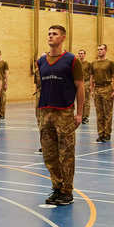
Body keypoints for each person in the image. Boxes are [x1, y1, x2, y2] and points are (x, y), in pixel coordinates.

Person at [37, 26, 84, 206]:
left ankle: (67, 191)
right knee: (49, 154)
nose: (50, 36)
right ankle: (56, 186)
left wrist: (79, 113)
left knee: (66, 154)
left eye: (54, 34)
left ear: (63, 37)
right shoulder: (41, 61)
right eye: (49, 33)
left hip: (64, 112)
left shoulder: (71, 60)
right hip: (45, 112)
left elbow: (80, 87)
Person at [91, 44, 114, 143]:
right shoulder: (93, 63)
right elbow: (91, 77)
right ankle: (100, 133)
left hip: (107, 88)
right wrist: (92, 90)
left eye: (101, 49)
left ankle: (107, 134)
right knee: (99, 113)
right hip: (97, 88)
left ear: (105, 50)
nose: (99, 51)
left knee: (107, 113)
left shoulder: (110, 63)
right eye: (98, 49)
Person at [77, 49, 92, 124]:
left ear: (84, 54)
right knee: (80, 100)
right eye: (79, 53)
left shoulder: (88, 64)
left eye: (82, 53)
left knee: (86, 101)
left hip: (86, 82)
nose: (80, 55)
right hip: (78, 83)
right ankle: (80, 115)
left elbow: (91, 75)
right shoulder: (76, 63)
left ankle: (85, 117)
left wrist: (90, 85)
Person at [0, 49, 9, 120]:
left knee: (2, 99)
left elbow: (6, 73)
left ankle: (2, 114)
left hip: (2, 82)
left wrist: (6, 83)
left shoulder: (4, 62)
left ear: (0, 54)